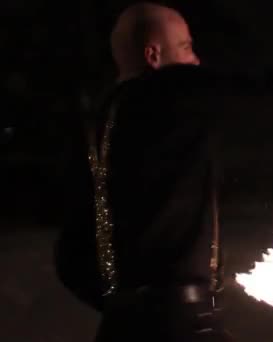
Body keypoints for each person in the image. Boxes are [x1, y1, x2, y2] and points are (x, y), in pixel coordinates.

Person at [54, 3, 232, 341]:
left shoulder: (94, 130)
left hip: (121, 328)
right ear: (153, 55)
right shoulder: (179, 104)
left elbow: (69, 257)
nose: (195, 60)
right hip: (185, 325)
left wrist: (124, 305)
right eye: (186, 47)